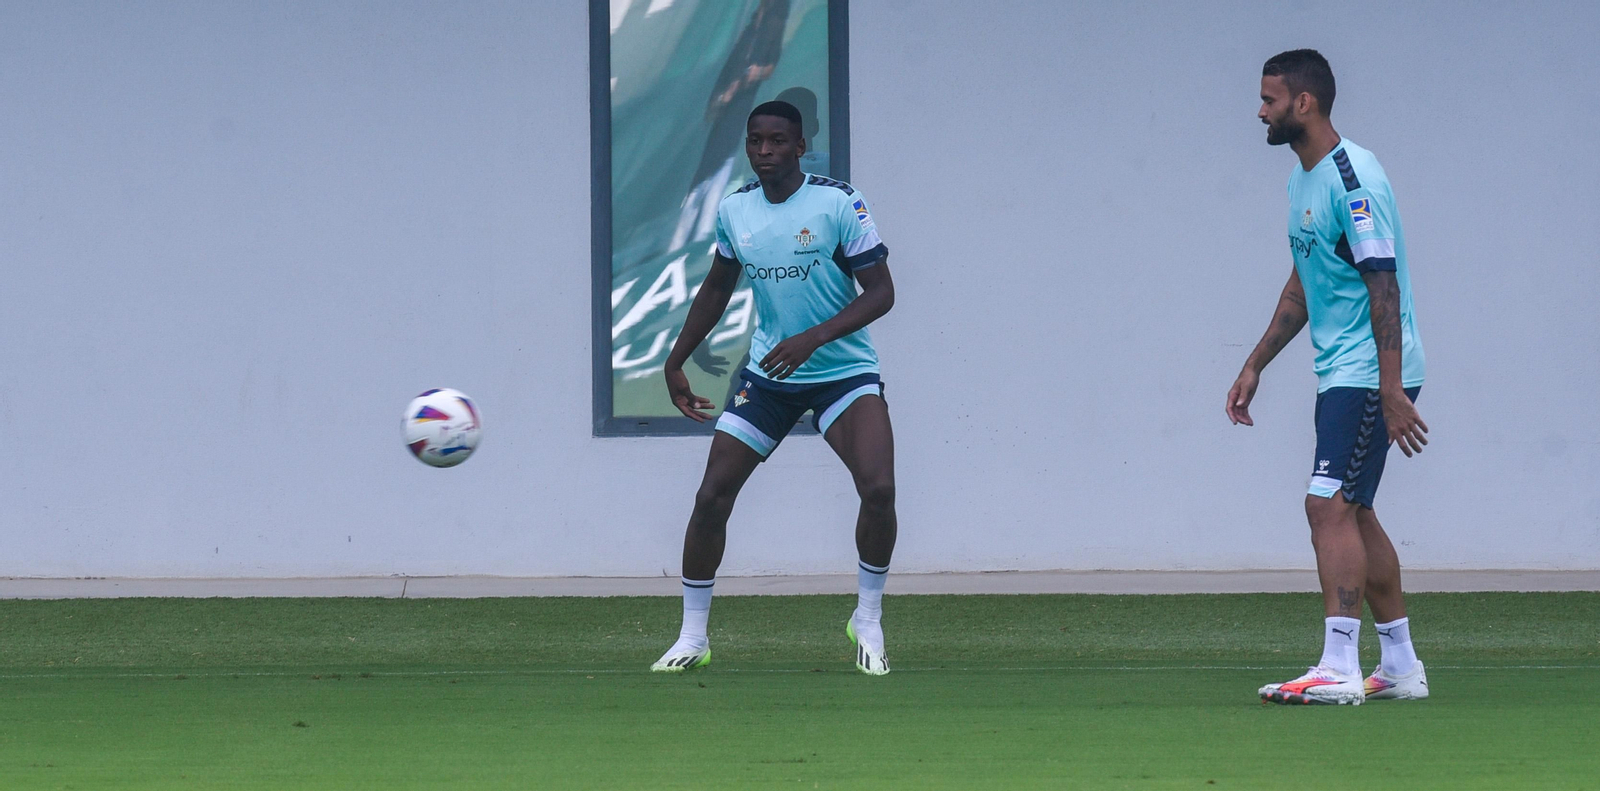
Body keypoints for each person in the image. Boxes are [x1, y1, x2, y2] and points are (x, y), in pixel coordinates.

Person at [652, 100, 897, 675]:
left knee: (879, 489)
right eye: (756, 142)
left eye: (778, 142)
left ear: (800, 145)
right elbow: (716, 288)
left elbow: (881, 292)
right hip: (770, 378)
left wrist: (814, 338)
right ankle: (693, 636)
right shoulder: (736, 211)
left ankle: (867, 619)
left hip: (842, 374)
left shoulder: (838, 202)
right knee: (712, 496)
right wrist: (675, 360)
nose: (765, 152)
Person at [1227, 50, 1430, 705]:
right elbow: (1303, 280)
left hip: (1371, 371)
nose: (1260, 110)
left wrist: (1392, 388)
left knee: (1327, 506)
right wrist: (1256, 361)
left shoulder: (1352, 178)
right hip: (1343, 371)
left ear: (1304, 103)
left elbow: (1383, 286)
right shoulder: (1300, 181)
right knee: (1353, 510)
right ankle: (1399, 664)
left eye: (1269, 99)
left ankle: (1339, 664)